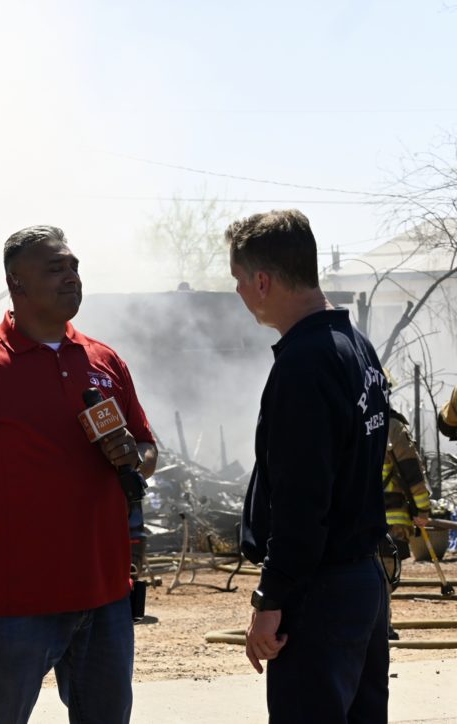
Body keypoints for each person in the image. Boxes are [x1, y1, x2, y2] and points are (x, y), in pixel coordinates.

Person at [0, 225, 158, 724]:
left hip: (107, 597)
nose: (72, 277)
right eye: (55, 268)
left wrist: (133, 456)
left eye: (74, 267)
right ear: (16, 283)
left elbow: (148, 449)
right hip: (15, 607)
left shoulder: (104, 360)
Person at [228, 210, 390, 723]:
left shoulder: (303, 364)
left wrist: (270, 599)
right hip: (363, 582)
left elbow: (301, 500)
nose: (239, 292)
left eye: (238, 280)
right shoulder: (355, 346)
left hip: (322, 593)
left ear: (262, 281)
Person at [380, 406, 432, 639]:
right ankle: (381, 626)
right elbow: (411, 470)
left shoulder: (347, 416)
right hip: (390, 517)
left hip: (353, 516)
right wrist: (422, 509)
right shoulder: (392, 426)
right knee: (384, 570)